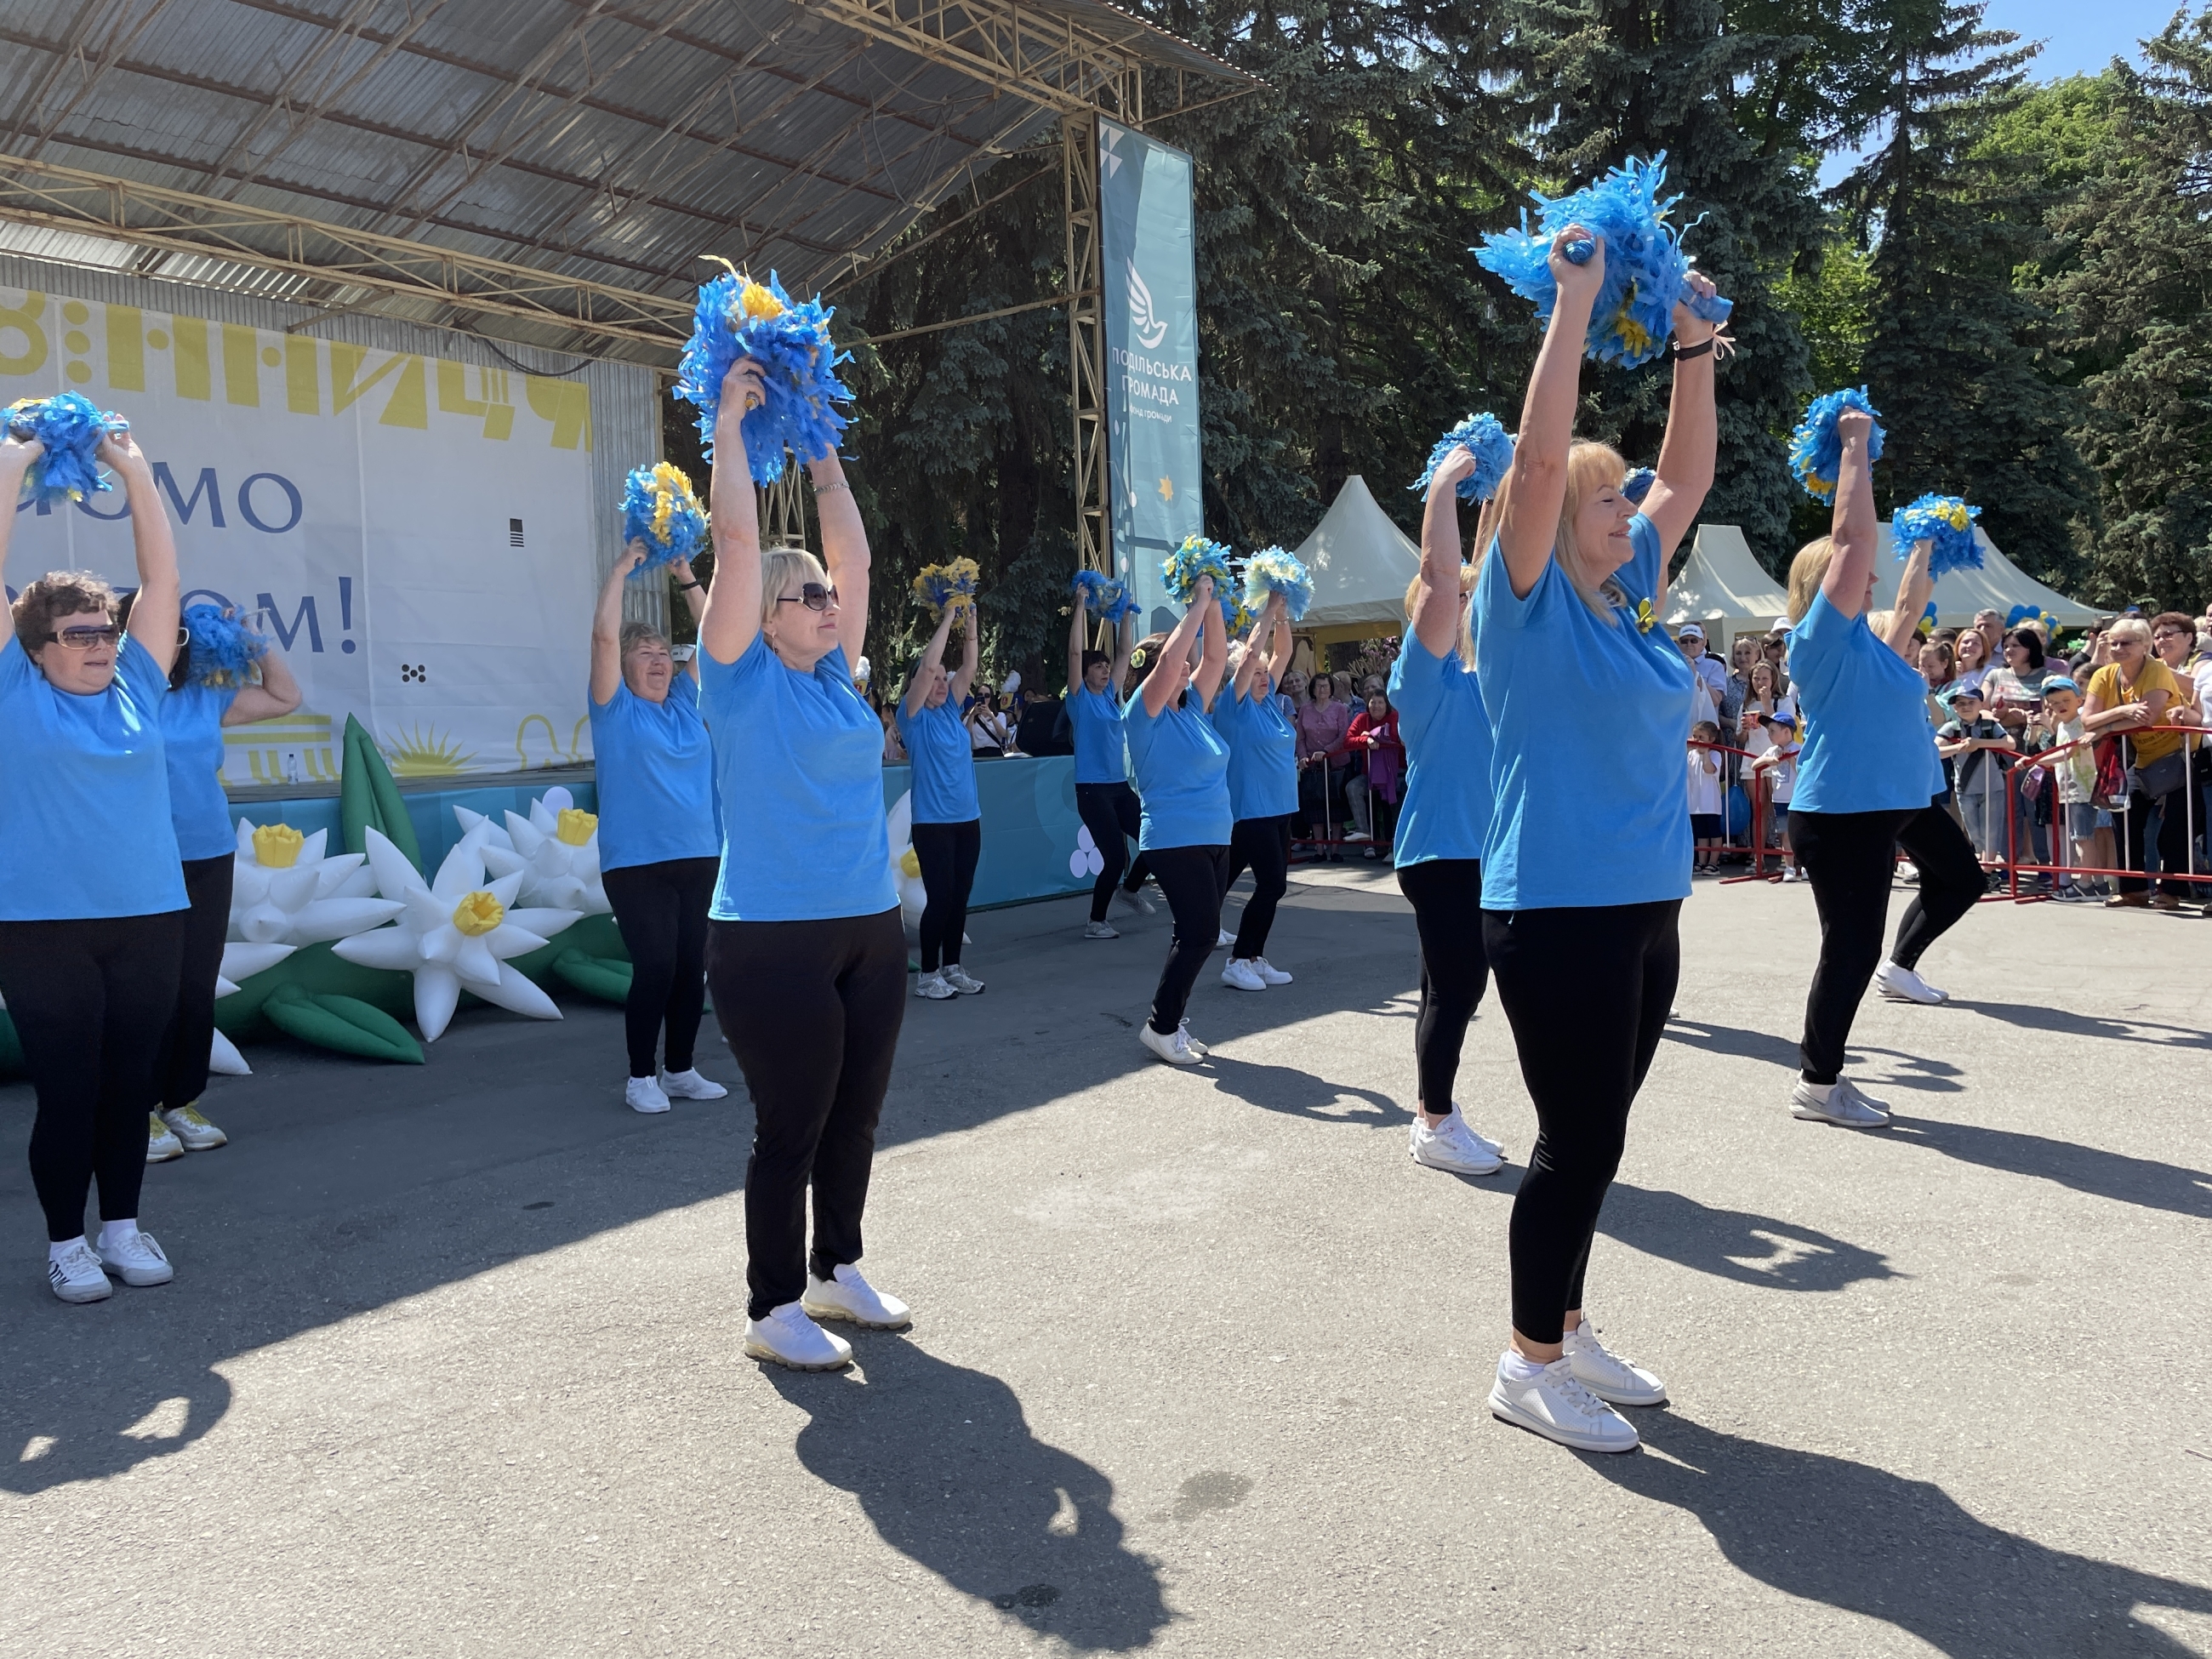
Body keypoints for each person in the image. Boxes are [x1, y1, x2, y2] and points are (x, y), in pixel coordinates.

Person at [1475, 226, 1720, 1453]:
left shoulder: (1630, 594)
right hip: (1555, 903)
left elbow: (1690, 471)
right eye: (1605, 497)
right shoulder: (1522, 603)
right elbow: (1530, 464)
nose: (1629, 507)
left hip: (1644, 903)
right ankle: (1526, 1364)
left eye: (1625, 496)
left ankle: (1564, 1322)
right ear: (1558, 517)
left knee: (1600, 1136)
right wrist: (1571, 307)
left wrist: (1693, 337)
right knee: (1576, 1141)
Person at [694, 357, 909, 1373]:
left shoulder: (836, 679)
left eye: (827, 596)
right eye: (808, 594)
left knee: (855, 1114)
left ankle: (837, 1267)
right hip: (769, 936)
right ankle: (772, 1305)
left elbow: (858, 563)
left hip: (866, 925)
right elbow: (738, 542)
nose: (830, 602)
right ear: (765, 613)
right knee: (792, 1125)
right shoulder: (737, 679)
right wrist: (729, 429)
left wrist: (819, 443)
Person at [0, 420, 191, 1303]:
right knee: (69, 1092)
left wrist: (132, 472)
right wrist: (15, 463)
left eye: (103, 628)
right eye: (77, 634)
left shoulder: (139, 683)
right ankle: (65, 1243)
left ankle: (121, 1227)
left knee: (130, 1087)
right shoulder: (12, 687)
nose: (98, 641)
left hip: (150, 914)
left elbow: (161, 580)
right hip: (42, 928)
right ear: (38, 646)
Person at [1778, 410, 1986, 1136]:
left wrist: (1927, 540)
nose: (1870, 572)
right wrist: (1858, 445)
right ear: (1826, 581)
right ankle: (1818, 1081)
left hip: (1902, 800)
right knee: (1850, 946)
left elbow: (1908, 600)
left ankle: (1904, 965)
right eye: (1853, 571)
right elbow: (1851, 536)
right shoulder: (1820, 642)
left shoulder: (1874, 645)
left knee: (1962, 879)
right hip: (1844, 812)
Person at [144, 603, 302, 1162]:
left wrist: (249, 639)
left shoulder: (206, 696)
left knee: (193, 984)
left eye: (180, 633)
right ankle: (133, 1109)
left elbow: (286, 697)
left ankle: (178, 1101)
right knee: (146, 987)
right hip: (139, 861)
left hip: (209, 854)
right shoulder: (112, 700)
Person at [1396, 452, 1512, 1178]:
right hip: (1441, 853)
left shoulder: (1482, 678)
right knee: (1462, 985)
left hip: (1478, 853)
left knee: (1446, 988)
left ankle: (1431, 1113)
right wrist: (1443, 488)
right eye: (1455, 603)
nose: (1467, 604)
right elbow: (1446, 578)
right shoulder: (1420, 675)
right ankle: (1435, 1122)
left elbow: (1490, 571)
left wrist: (1499, 498)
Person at [589, 542, 727, 1115]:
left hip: (698, 855)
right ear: (622, 668)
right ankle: (640, 1076)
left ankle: (680, 1069)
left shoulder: (686, 701)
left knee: (691, 968)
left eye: (664, 652)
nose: (658, 660)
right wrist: (622, 569)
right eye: (643, 653)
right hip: (636, 863)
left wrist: (686, 576)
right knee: (656, 965)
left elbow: (718, 638)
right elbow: (602, 637)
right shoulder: (615, 708)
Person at [1124, 574, 1232, 1065]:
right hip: (1174, 837)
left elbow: (1215, 659)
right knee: (1202, 933)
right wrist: (1198, 601)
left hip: (1213, 835)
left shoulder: (1193, 711)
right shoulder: (1142, 713)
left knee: (1192, 933)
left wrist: (1215, 604)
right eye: (1178, 665)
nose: (1188, 669)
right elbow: (1172, 661)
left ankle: (1170, 1021)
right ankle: (1161, 1026)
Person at [898, 596, 987, 1001]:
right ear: (920, 682)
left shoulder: (952, 710)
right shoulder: (912, 716)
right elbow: (930, 666)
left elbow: (969, 665)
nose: (940, 682)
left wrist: (970, 618)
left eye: (942, 679)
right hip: (932, 823)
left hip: (967, 819)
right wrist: (949, 615)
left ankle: (952, 967)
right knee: (939, 898)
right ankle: (927, 974)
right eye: (933, 678)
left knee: (959, 896)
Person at [1211, 595, 1298, 993]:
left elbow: (1284, 650)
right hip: (1251, 810)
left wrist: (1282, 613)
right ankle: (1238, 959)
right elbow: (1250, 656)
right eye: (1257, 672)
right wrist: (1265, 611)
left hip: (1281, 809)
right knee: (1272, 885)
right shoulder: (1236, 705)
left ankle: (1253, 955)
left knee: (1252, 882)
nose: (1264, 676)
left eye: (1267, 673)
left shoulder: (1269, 704)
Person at [2082, 617, 2192, 909]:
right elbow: (2086, 719)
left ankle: (2171, 891)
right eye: (2114, 643)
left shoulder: (2156, 670)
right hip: (2139, 760)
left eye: (2126, 642)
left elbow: (2149, 716)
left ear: (2145, 646)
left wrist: (2106, 727)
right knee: (2124, 820)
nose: (2118, 648)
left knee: (2175, 828)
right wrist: (2125, 710)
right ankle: (2134, 889)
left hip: (2178, 757)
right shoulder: (2103, 675)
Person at [1065, 583, 1154, 938]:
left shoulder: (1109, 698)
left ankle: (1129, 891)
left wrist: (1127, 613)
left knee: (1153, 838)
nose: (1105, 671)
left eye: (1106, 667)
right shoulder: (1079, 699)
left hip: (1118, 786)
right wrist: (1080, 605)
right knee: (1115, 857)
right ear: (1086, 673)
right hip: (1091, 789)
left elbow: (1125, 652)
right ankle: (1095, 921)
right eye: (1098, 667)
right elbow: (1074, 653)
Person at [2024, 677, 2101, 898]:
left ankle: (2086, 884)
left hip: (2083, 788)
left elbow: (2069, 752)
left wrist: (2035, 760)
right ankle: (2095, 883)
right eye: (2054, 702)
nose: (2060, 706)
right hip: (2069, 789)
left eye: (2065, 700)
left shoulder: (2078, 724)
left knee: (2083, 839)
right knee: (2080, 838)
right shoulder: (2065, 726)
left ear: (2080, 699)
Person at [1936, 686, 2015, 872]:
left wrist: (1979, 743)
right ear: (1955, 708)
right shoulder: (1951, 727)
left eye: (1971, 702)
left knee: (1991, 831)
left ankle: (1987, 872)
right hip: (1965, 788)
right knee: (1974, 833)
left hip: (1991, 786)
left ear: (1981, 704)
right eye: (1961, 704)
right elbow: (1936, 750)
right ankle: (1983, 864)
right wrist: (1958, 748)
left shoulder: (1990, 725)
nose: (1966, 707)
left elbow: (2009, 743)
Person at [1343, 688, 1403, 848]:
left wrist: (1370, 735)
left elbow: (1391, 736)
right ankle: (1362, 830)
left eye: (1380, 702)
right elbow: (1348, 741)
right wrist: (1365, 739)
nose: (1376, 706)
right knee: (1353, 788)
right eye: (1372, 702)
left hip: (1394, 773)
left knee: (1396, 800)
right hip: (1370, 774)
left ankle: (1396, 845)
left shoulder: (1394, 716)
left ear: (1387, 704)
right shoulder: (1361, 718)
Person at [1294, 672, 1352, 836]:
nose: (1322, 689)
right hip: (1313, 767)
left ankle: (1335, 848)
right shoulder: (1305, 709)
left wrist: (1326, 752)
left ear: (1331, 688)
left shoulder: (1340, 708)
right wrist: (1303, 756)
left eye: (1325, 686)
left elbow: (1343, 735)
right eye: (1318, 686)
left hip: (1336, 765)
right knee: (1316, 808)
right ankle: (1319, 848)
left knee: (1336, 808)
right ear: (1312, 688)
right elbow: (1300, 738)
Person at [1747, 710, 1804, 879]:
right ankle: (1789, 868)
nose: (1769, 735)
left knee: (1800, 834)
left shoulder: (1799, 749)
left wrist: (1790, 759)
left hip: (1797, 799)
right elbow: (1754, 765)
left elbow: (1802, 772)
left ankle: (1805, 866)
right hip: (1779, 799)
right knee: (1785, 834)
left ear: (1787, 731)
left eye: (1773, 731)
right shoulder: (1772, 751)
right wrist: (1767, 761)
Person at [1688, 719, 1725, 873]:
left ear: (1711, 739)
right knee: (1701, 833)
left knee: (1714, 832)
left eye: (1701, 737)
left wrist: (1705, 754)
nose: (1697, 740)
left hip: (1710, 802)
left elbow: (1710, 769)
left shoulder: (1715, 754)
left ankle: (1713, 862)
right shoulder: (1690, 754)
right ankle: (1701, 861)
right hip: (1695, 801)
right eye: (1695, 736)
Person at [1674, 623, 1726, 721]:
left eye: (1694, 641)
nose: (1689, 644)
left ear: (1702, 643)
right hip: (1680, 727)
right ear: (1678, 644)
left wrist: (1696, 675)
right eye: (1684, 641)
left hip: (1705, 731)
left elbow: (1716, 700)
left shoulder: (1715, 666)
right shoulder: (1672, 666)